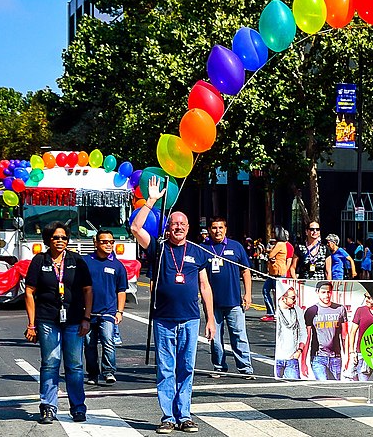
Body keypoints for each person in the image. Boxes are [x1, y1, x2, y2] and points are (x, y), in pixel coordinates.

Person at [130, 176, 215, 434]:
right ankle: (168, 416)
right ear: (168, 227)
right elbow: (135, 228)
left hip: (190, 318)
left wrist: (210, 318)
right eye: (174, 223)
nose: (178, 227)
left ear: (188, 228)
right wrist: (151, 201)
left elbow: (205, 286)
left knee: (186, 368)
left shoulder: (198, 252)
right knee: (166, 368)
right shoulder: (158, 247)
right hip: (164, 319)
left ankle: (185, 415)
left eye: (182, 224)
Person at [24, 221, 93, 424]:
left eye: (63, 237)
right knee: (50, 364)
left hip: (73, 319)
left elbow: (87, 290)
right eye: (56, 237)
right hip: (47, 319)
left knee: (75, 365)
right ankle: (48, 407)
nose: (60, 241)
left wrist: (86, 318)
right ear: (48, 240)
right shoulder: (39, 261)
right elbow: (29, 292)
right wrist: (31, 324)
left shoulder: (77, 260)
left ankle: (78, 408)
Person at [204, 216, 255, 378]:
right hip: (212, 303)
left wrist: (248, 294)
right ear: (209, 230)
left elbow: (246, 271)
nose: (217, 231)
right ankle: (219, 366)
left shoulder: (236, 247)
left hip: (234, 300)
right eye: (214, 228)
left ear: (225, 229)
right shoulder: (202, 248)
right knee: (215, 337)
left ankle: (245, 367)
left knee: (239, 335)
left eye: (220, 227)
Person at [83, 230, 128, 385]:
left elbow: (121, 290)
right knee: (89, 344)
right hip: (88, 312)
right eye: (104, 242)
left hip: (108, 312)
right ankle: (92, 374)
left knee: (108, 341)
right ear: (96, 243)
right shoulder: (85, 261)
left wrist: (119, 312)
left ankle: (109, 371)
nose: (108, 244)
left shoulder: (117, 265)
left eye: (111, 242)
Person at [301, 280, 348, 381]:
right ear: (317, 292)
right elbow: (307, 337)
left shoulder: (340, 309)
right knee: (323, 383)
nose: (327, 295)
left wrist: (347, 357)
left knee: (333, 388)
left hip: (336, 357)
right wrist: (303, 362)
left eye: (329, 292)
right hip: (318, 357)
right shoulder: (311, 311)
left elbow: (344, 335)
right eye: (323, 292)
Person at [344, 291, 373, 381]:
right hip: (362, 354)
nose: (366, 300)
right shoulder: (360, 310)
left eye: (369, 298)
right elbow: (352, 332)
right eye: (365, 297)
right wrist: (352, 352)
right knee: (364, 383)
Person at [274, 285, 305, 379]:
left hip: (291, 358)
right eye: (293, 298)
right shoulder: (276, 312)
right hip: (277, 358)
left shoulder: (297, 310)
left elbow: (303, 332)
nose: (295, 301)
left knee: (295, 386)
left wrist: (299, 350)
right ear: (283, 298)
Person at [261, 227, 289, 322]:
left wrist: (270, 254)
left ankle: (279, 313)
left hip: (279, 273)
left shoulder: (280, 244)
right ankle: (271, 312)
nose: (272, 234)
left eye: (273, 232)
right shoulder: (278, 244)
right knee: (266, 290)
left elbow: (271, 254)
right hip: (273, 273)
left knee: (278, 294)